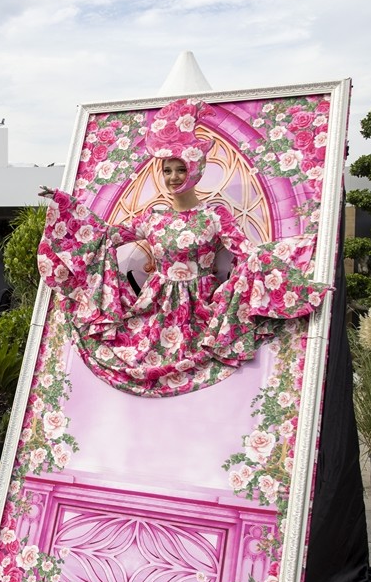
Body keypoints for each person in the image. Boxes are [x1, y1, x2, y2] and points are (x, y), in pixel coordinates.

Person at [37, 100, 325, 398]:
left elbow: (246, 253)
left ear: (195, 168)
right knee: (131, 352)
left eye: (180, 169)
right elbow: (103, 236)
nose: (173, 177)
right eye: (167, 170)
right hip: (154, 309)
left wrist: (296, 252)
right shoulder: (153, 218)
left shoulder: (214, 216)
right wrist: (65, 205)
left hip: (200, 312)